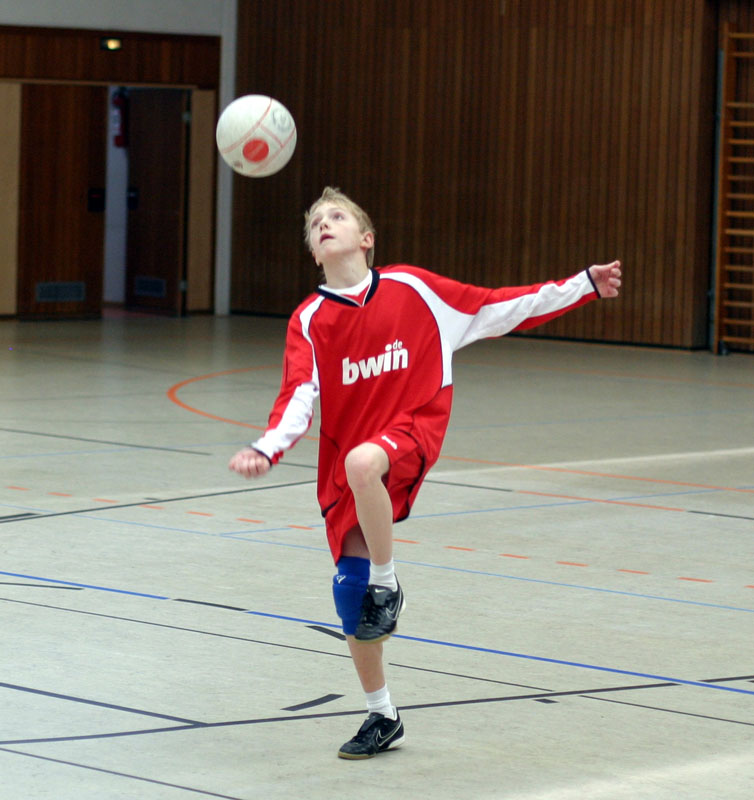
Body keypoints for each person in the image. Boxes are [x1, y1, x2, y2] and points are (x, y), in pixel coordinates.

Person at [229, 187, 622, 759]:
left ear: (367, 239)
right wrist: (268, 448)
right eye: (315, 223)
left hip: (411, 431)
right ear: (314, 253)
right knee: (351, 599)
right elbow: (298, 395)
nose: (324, 225)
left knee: (365, 463)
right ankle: (381, 715)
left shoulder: (414, 289)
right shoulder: (309, 319)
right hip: (346, 472)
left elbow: (500, 305)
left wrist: (583, 284)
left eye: (337, 216)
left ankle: (390, 582)